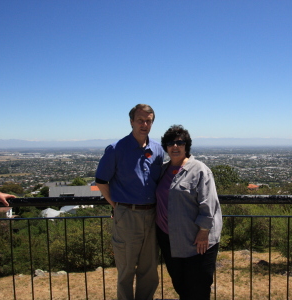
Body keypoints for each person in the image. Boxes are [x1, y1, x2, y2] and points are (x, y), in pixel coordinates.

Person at [95, 104, 164, 300]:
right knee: (126, 271)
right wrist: (116, 205)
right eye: (140, 120)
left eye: (148, 121)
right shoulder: (117, 149)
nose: (144, 124)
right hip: (127, 215)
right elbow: (101, 181)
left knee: (150, 271)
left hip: (152, 215)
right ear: (131, 121)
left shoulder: (158, 150)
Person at [156, 125, 222, 300]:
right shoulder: (162, 170)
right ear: (166, 147)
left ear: (187, 145)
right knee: (181, 285)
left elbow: (209, 203)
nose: (175, 146)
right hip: (170, 241)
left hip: (197, 241)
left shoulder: (199, 170)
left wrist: (203, 231)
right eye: (170, 143)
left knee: (198, 288)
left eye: (179, 142)